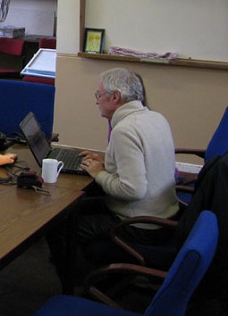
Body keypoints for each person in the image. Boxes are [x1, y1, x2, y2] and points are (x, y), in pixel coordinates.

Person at [48, 68, 179, 279]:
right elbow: (144, 165)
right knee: (75, 207)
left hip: (139, 224)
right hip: (164, 215)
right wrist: (106, 163)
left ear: (115, 97)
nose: (96, 101)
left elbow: (133, 190)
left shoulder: (124, 130)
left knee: (58, 225)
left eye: (98, 95)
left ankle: (81, 282)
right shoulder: (155, 118)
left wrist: (99, 173)